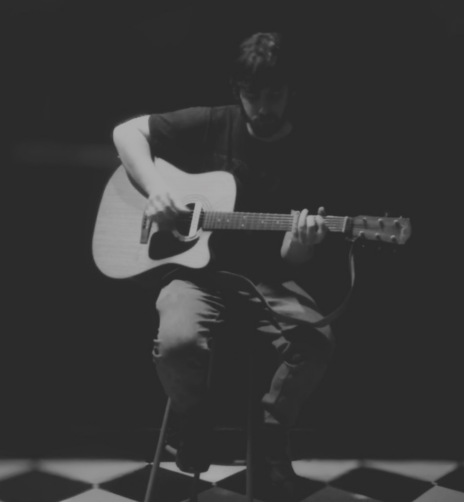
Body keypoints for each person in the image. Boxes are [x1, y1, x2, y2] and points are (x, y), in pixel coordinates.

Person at [112, 32, 335, 499]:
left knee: (316, 342)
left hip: (269, 282)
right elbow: (125, 133)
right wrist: (157, 190)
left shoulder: (309, 152)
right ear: (238, 91)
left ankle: (271, 436)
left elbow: (292, 258)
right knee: (176, 344)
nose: (263, 107)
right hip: (196, 277)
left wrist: (302, 244)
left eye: (274, 94)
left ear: (291, 91)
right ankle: (193, 424)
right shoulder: (214, 122)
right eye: (252, 95)